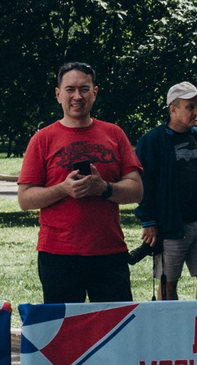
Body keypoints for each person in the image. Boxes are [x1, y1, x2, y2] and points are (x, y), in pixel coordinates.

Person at [17, 61, 144, 303]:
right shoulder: (42, 139)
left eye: (84, 89)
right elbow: (25, 199)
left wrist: (104, 188)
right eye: (70, 89)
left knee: (114, 328)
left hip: (109, 251)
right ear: (58, 95)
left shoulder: (114, 134)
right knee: (64, 333)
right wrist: (64, 189)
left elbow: (137, 190)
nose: (77, 96)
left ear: (95, 92)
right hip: (58, 253)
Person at [134, 81, 197, 302]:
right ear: (173, 108)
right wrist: (149, 221)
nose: (196, 112)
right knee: (168, 280)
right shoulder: (152, 141)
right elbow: (143, 183)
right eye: (189, 106)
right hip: (170, 224)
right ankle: (170, 330)